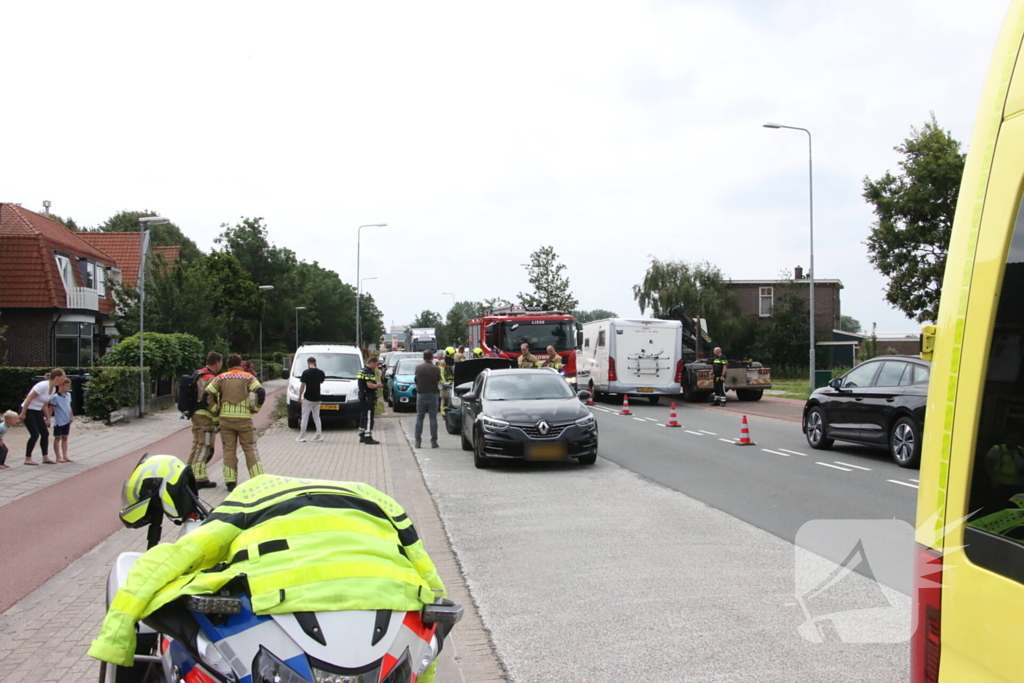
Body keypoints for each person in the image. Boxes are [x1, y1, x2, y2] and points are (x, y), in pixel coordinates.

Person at [89, 468, 448, 682]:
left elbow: (179, 554)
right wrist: (435, 626)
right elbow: (427, 574)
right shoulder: (379, 499)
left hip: (280, 600)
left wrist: (117, 636)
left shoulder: (252, 494)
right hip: (383, 601)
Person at [205, 354, 266, 491]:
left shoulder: (220, 378)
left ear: (228, 365)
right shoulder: (248, 377)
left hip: (226, 419)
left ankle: (230, 481)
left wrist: (215, 409)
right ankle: (258, 479)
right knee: (249, 448)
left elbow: (207, 394)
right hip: (244, 419)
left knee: (229, 450)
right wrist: (255, 408)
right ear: (241, 364)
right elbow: (261, 392)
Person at [186, 352, 222, 488]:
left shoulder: (198, 374)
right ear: (217, 363)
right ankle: (198, 478)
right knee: (205, 446)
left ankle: (187, 473)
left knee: (197, 445)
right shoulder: (211, 378)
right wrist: (217, 413)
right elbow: (210, 399)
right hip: (205, 417)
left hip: (195, 414)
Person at [19, 368, 64, 465]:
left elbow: (45, 404)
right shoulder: (43, 385)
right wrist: (23, 413)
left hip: (37, 410)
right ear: (57, 377)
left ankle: (45, 457)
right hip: (28, 409)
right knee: (35, 434)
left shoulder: (53, 389)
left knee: (45, 433)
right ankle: (28, 458)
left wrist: (47, 418)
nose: (64, 378)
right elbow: (29, 398)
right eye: (63, 376)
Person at [414, 349, 442, 449]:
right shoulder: (436, 368)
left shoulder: (418, 368)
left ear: (423, 357)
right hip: (433, 394)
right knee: (433, 418)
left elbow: (416, 380)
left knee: (419, 417)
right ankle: (433, 442)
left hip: (421, 394)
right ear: (432, 357)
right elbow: (438, 380)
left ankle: (418, 442)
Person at [296, 356, 326, 443]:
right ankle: (319, 435)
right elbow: (321, 382)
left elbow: (303, 385)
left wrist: (299, 396)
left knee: (305, 417)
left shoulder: (306, 373)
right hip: (317, 397)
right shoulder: (321, 372)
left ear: (308, 363)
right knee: (317, 417)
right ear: (315, 362)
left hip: (308, 397)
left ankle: (302, 436)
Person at [49, 377, 74, 463]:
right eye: (66, 386)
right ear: (61, 385)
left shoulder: (68, 395)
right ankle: (58, 456)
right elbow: (51, 408)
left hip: (67, 420)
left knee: (65, 438)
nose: (68, 388)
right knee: (57, 438)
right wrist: (48, 418)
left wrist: (71, 416)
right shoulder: (55, 397)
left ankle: (65, 455)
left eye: (68, 386)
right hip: (59, 421)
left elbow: (69, 406)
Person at [358, 357, 381, 445]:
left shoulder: (362, 370)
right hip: (368, 397)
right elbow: (370, 385)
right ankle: (368, 437)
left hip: (363, 396)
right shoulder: (368, 372)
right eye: (376, 364)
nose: (376, 366)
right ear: (372, 363)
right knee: (368, 417)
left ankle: (362, 434)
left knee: (363, 415)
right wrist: (378, 385)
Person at [439, 348, 457, 415]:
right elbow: (441, 372)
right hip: (445, 383)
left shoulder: (454, 362)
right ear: (448, 355)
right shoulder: (443, 362)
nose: (453, 356)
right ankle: (443, 410)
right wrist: (444, 382)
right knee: (444, 397)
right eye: (452, 355)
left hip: (453, 382)